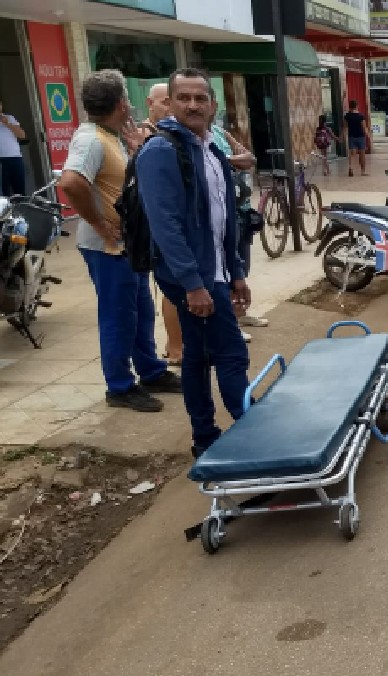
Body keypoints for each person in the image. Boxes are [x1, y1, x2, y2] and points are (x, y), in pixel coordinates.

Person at [135, 67, 250, 458]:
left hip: (214, 270)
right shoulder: (161, 151)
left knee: (198, 357)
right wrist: (193, 284)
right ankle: (257, 434)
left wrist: (236, 272)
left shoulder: (212, 149)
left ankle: (204, 438)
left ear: (212, 104)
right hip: (192, 277)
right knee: (232, 353)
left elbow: (223, 219)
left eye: (200, 98)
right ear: (169, 103)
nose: (193, 105)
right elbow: (165, 225)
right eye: (183, 97)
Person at [58, 69, 182, 413]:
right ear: (120, 103)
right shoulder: (91, 139)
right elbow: (71, 182)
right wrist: (98, 223)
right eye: (126, 97)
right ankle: (120, 386)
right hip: (107, 249)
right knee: (118, 316)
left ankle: (151, 371)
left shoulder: (109, 134)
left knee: (140, 311)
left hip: (128, 247)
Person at [208, 96, 265, 337]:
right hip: (221, 212)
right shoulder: (195, 140)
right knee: (226, 270)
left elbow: (249, 158)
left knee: (242, 265)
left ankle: (241, 313)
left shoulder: (219, 133)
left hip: (240, 211)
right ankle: (230, 322)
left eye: (208, 102)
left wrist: (224, 160)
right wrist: (230, 161)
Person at [137, 82, 185, 367]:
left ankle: (178, 343)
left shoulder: (174, 134)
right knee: (172, 288)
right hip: (159, 226)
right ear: (150, 103)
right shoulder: (148, 136)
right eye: (164, 101)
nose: (169, 107)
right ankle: (175, 347)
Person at [0, 97, 27, 197]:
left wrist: (7, 124)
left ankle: (21, 211)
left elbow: (22, 135)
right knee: (4, 192)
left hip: (16, 158)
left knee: (20, 191)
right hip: (1, 160)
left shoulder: (10, 118)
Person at [343, 99, 371, 177]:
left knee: (352, 153)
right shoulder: (361, 116)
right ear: (357, 106)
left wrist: (342, 137)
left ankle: (351, 167)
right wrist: (368, 136)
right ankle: (363, 171)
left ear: (350, 107)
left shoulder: (347, 116)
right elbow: (364, 127)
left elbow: (345, 128)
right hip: (361, 137)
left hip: (351, 136)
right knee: (362, 154)